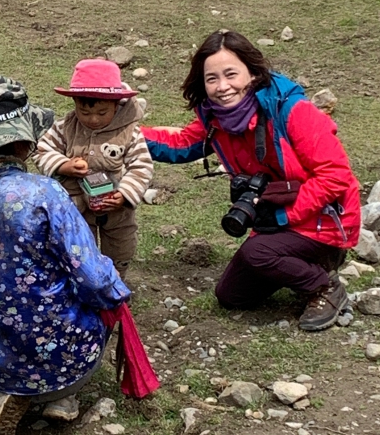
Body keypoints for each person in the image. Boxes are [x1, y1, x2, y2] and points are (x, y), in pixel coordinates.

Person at [0, 75, 132, 435]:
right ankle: (59, 396)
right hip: (54, 353)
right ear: (25, 142)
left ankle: (5, 391)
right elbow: (93, 278)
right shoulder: (43, 192)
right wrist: (119, 293)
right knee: (101, 303)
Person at [141, 30, 361, 331]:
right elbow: (181, 145)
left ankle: (324, 286)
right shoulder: (216, 119)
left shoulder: (292, 111)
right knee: (231, 295)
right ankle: (297, 266)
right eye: (212, 78)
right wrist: (130, 137)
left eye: (231, 74)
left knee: (256, 253)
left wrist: (286, 215)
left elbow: (336, 176)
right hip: (276, 222)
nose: (222, 87)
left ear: (254, 72)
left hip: (324, 222)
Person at [33, 59, 154, 279]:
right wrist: (63, 164)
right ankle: (83, 285)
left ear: (116, 106)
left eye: (102, 112)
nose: (94, 119)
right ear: (75, 104)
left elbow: (141, 166)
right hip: (76, 207)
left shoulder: (129, 133)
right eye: (85, 112)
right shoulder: (65, 127)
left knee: (121, 248)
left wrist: (124, 194)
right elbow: (42, 150)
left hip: (117, 210)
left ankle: (115, 284)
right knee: (78, 250)